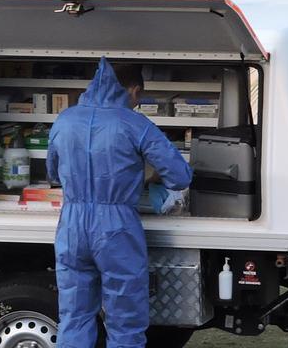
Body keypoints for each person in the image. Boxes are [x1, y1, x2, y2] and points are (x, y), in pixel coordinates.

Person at [47, 57, 193, 348]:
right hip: (116, 228)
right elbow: (179, 176)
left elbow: (53, 173)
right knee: (125, 320)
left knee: (74, 317)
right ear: (134, 90)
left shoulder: (65, 119)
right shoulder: (135, 123)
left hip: (72, 226)